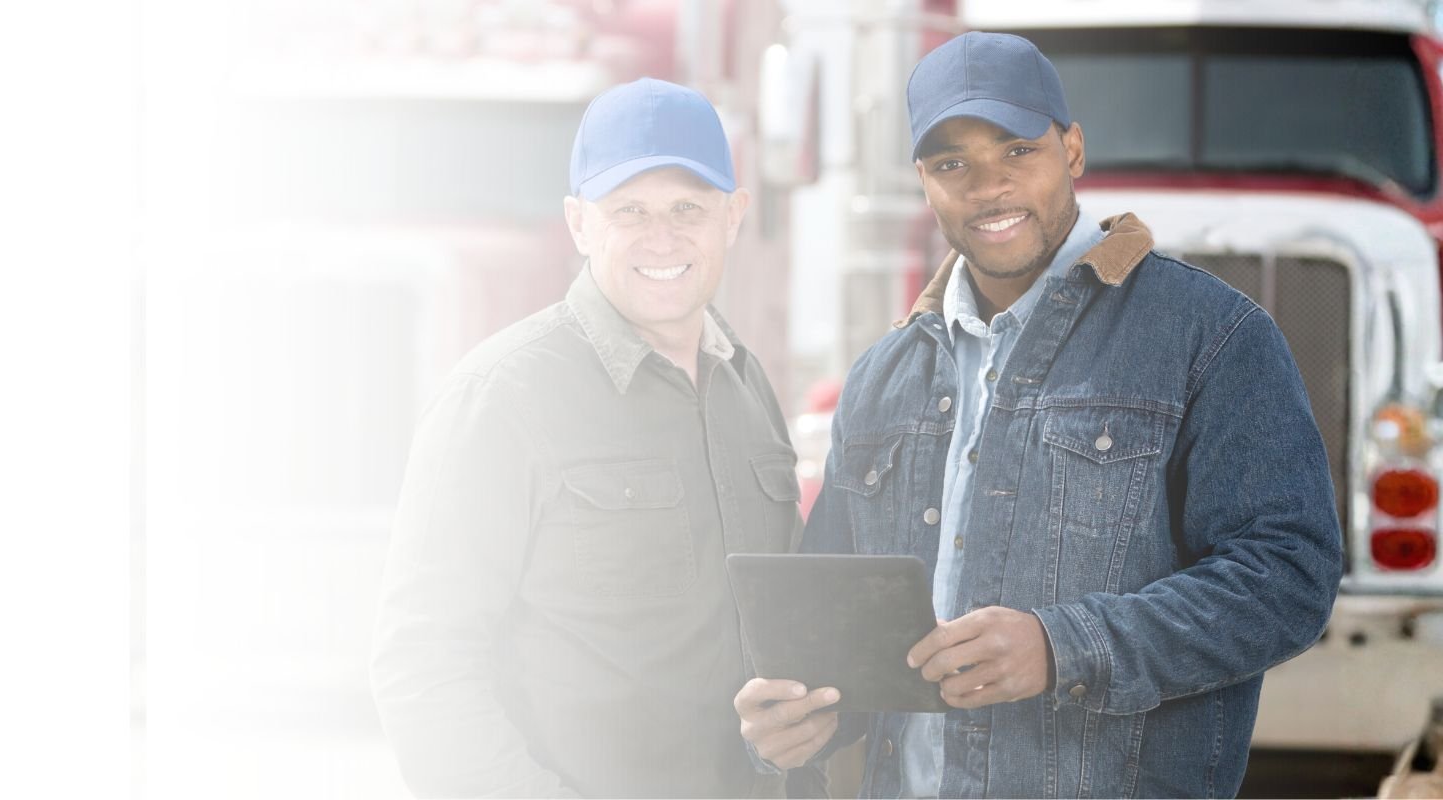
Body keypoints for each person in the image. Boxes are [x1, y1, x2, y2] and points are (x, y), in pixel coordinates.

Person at [734, 31, 1342, 798]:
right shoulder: (883, 377)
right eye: (952, 164)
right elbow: (841, 637)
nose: (988, 186)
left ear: (1073, 150)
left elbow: (1287, 578)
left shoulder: (1210, 336)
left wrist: (1062, 648)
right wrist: (804, 720)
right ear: (924, 181)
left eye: (1017, 150)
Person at [371, 77, 802, 798]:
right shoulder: (502, 395)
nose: (662, 237)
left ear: (732, 218)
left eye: (688, 208)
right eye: (629, 210)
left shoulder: (744, 385)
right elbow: (423, 666)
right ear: (578, 223)